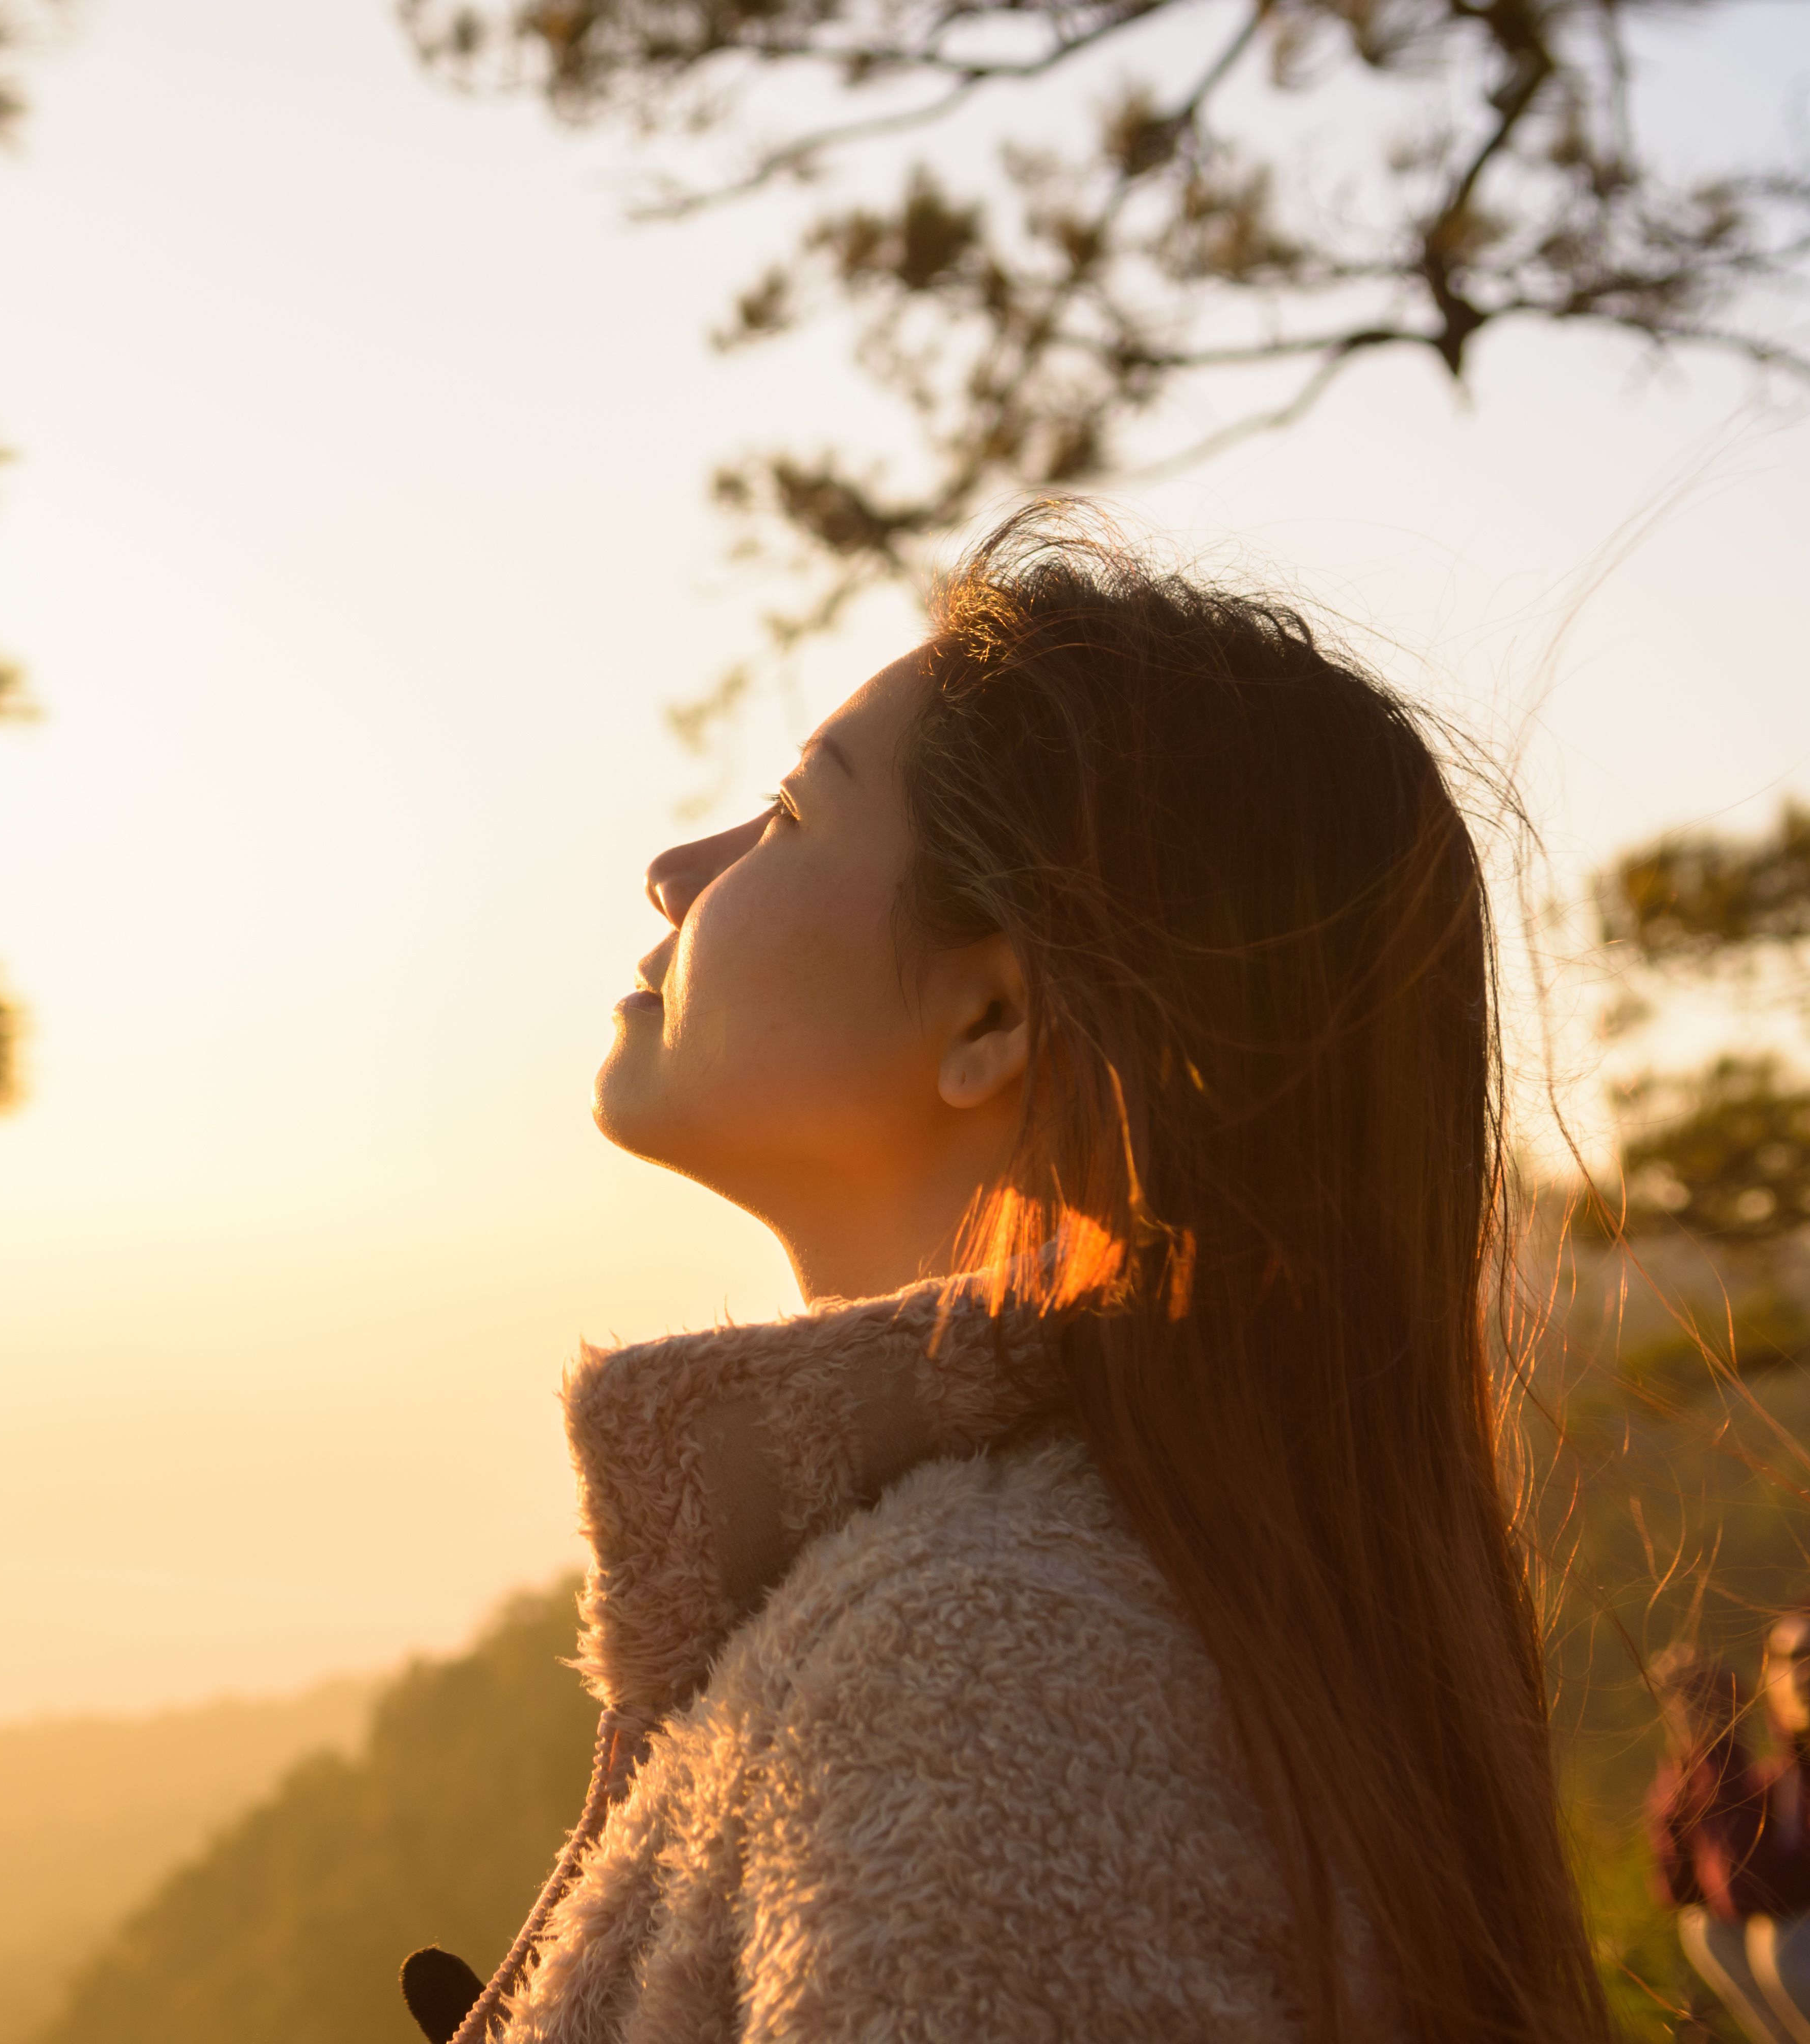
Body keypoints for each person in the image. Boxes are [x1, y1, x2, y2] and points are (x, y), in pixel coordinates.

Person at [400, 510, 1609, 2042]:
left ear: (989, 1017)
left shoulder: (975, 1680)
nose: (669, 871)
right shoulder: (1016, 1617)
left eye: (783, 815)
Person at [1650, 1644, 1790, 2040]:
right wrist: (1688, 1763)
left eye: (1691, 1701)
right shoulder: (1708, 1775)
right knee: (1703, 1926)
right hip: (1757, 1910)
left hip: (1786, 1924)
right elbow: (1679, 1888)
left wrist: (1714, 1750)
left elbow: (1741, 1887)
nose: (1679, 1713)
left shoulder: (1751, 1781)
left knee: (1780, 1946)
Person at [1746, 1616, 1810, 2038]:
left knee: (1786, 1947)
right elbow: (1688, 1883)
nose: (1802, 1674)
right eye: (1787, 1659)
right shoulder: (1787, 1771)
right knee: (1713, 1930)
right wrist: (1707, 1747)